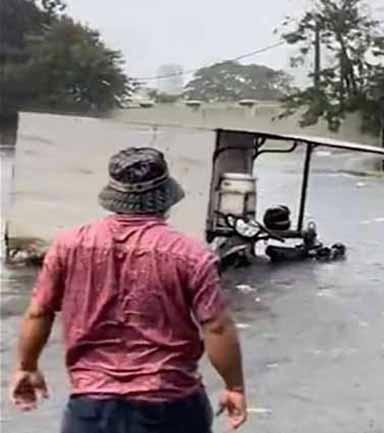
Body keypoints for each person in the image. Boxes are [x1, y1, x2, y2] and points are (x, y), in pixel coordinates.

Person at [10, 147, 248, 432]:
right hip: (170, 405)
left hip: (91, 407)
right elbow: (217, 327)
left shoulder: (68, 245)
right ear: (166, 199)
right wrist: (234, 386)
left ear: (114, 196)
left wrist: (26, 366)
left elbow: (39, 312)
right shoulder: (191, 254)